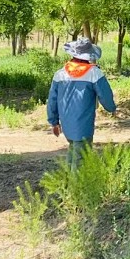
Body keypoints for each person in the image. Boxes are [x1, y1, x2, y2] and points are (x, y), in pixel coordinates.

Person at [46, 36, 117, 169]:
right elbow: (105, 96)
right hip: (84, 124)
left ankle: (66, 184)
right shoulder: (94, 74)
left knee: (73, 151)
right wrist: (111, 108)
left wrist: (54, 122)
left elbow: (52, 100)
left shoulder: (60, 74)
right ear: (89, 55)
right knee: (80, 160)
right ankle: (76, 188)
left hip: (67, 124)